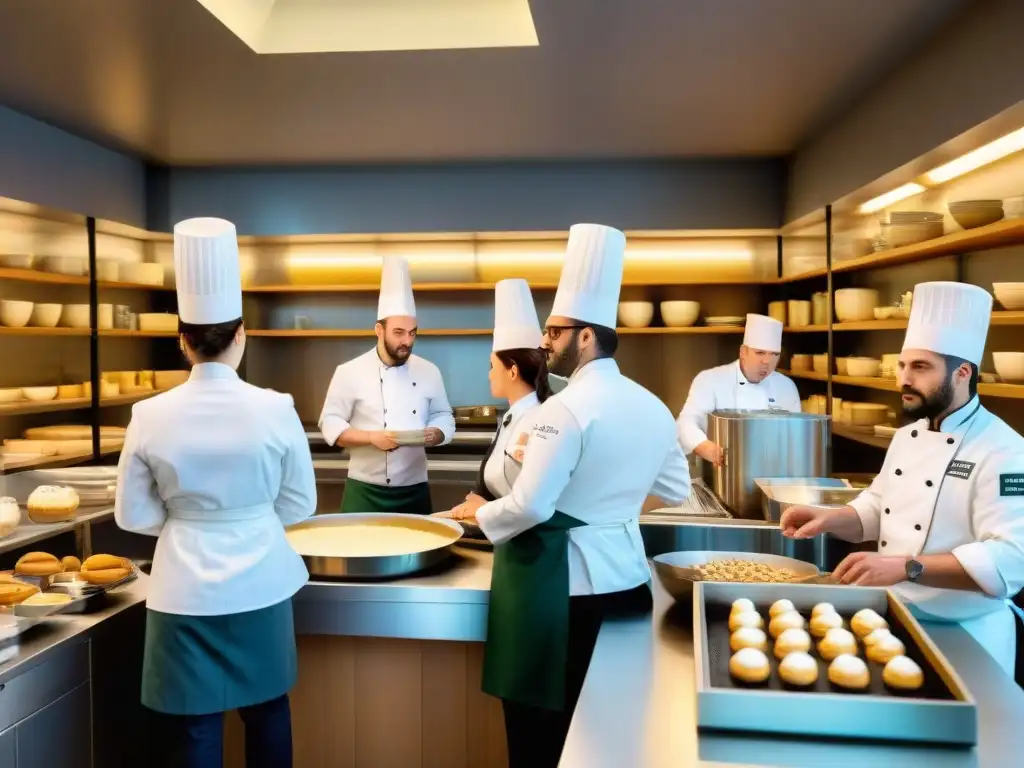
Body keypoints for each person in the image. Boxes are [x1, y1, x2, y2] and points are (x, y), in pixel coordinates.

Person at [444, 224, 691, 767]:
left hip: (562, 592)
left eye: (554, 333)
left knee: (541, 737)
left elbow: (532, 505)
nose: (544, 344)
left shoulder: (563, 408)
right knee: (607, 735)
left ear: (586, 336)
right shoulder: (653, 404)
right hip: (626, 583)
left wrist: (484, 511)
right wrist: (611, 507)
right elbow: (674, 489)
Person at [115, 217, 317, 767]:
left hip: (183, 589)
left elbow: (132, 513)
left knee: (196, 727)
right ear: (242, 336)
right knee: (269, 712)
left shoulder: (148, 414)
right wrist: (246, 517)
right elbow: (301, 505)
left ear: (182, 342)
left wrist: (188, 521)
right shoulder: (277, 408)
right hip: (262, 578)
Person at [780, 281, 1024, 676]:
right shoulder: (907, 435)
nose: (903, 380)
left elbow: (1011, 560)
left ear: (962, 373)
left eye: (920, 367)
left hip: (970, 637)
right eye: (901, 365)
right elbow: (879, 505)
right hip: (897, 620)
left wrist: (907, 566)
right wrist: (827, 516)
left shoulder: (1006, 451)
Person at [318, 254, 455, 514]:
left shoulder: (429, 371)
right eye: (398, 332)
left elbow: (443, 415)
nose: (407, 341)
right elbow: (330, 423)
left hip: (414, 489)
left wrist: (436, 433)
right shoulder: (349, 372)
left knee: (418, 553)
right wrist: (371, 437)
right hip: (364, 490)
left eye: (412, 333)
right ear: (379, 330)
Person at [451, 279, 549, 514]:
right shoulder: (511, 417)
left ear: (513, 371)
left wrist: (484, 508)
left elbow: (533, 501)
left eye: (492, 366)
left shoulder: (539, 422)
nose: (489, 375)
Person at [677, 313, 800, 466]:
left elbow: (796, 437)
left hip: (772, 472)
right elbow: (685, 423)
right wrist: (706, 447)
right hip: (721, 473)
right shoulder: (710, 380)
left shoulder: (786, 387)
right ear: (743, 352)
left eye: (774, 354)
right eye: (760, 352)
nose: (767, 361)